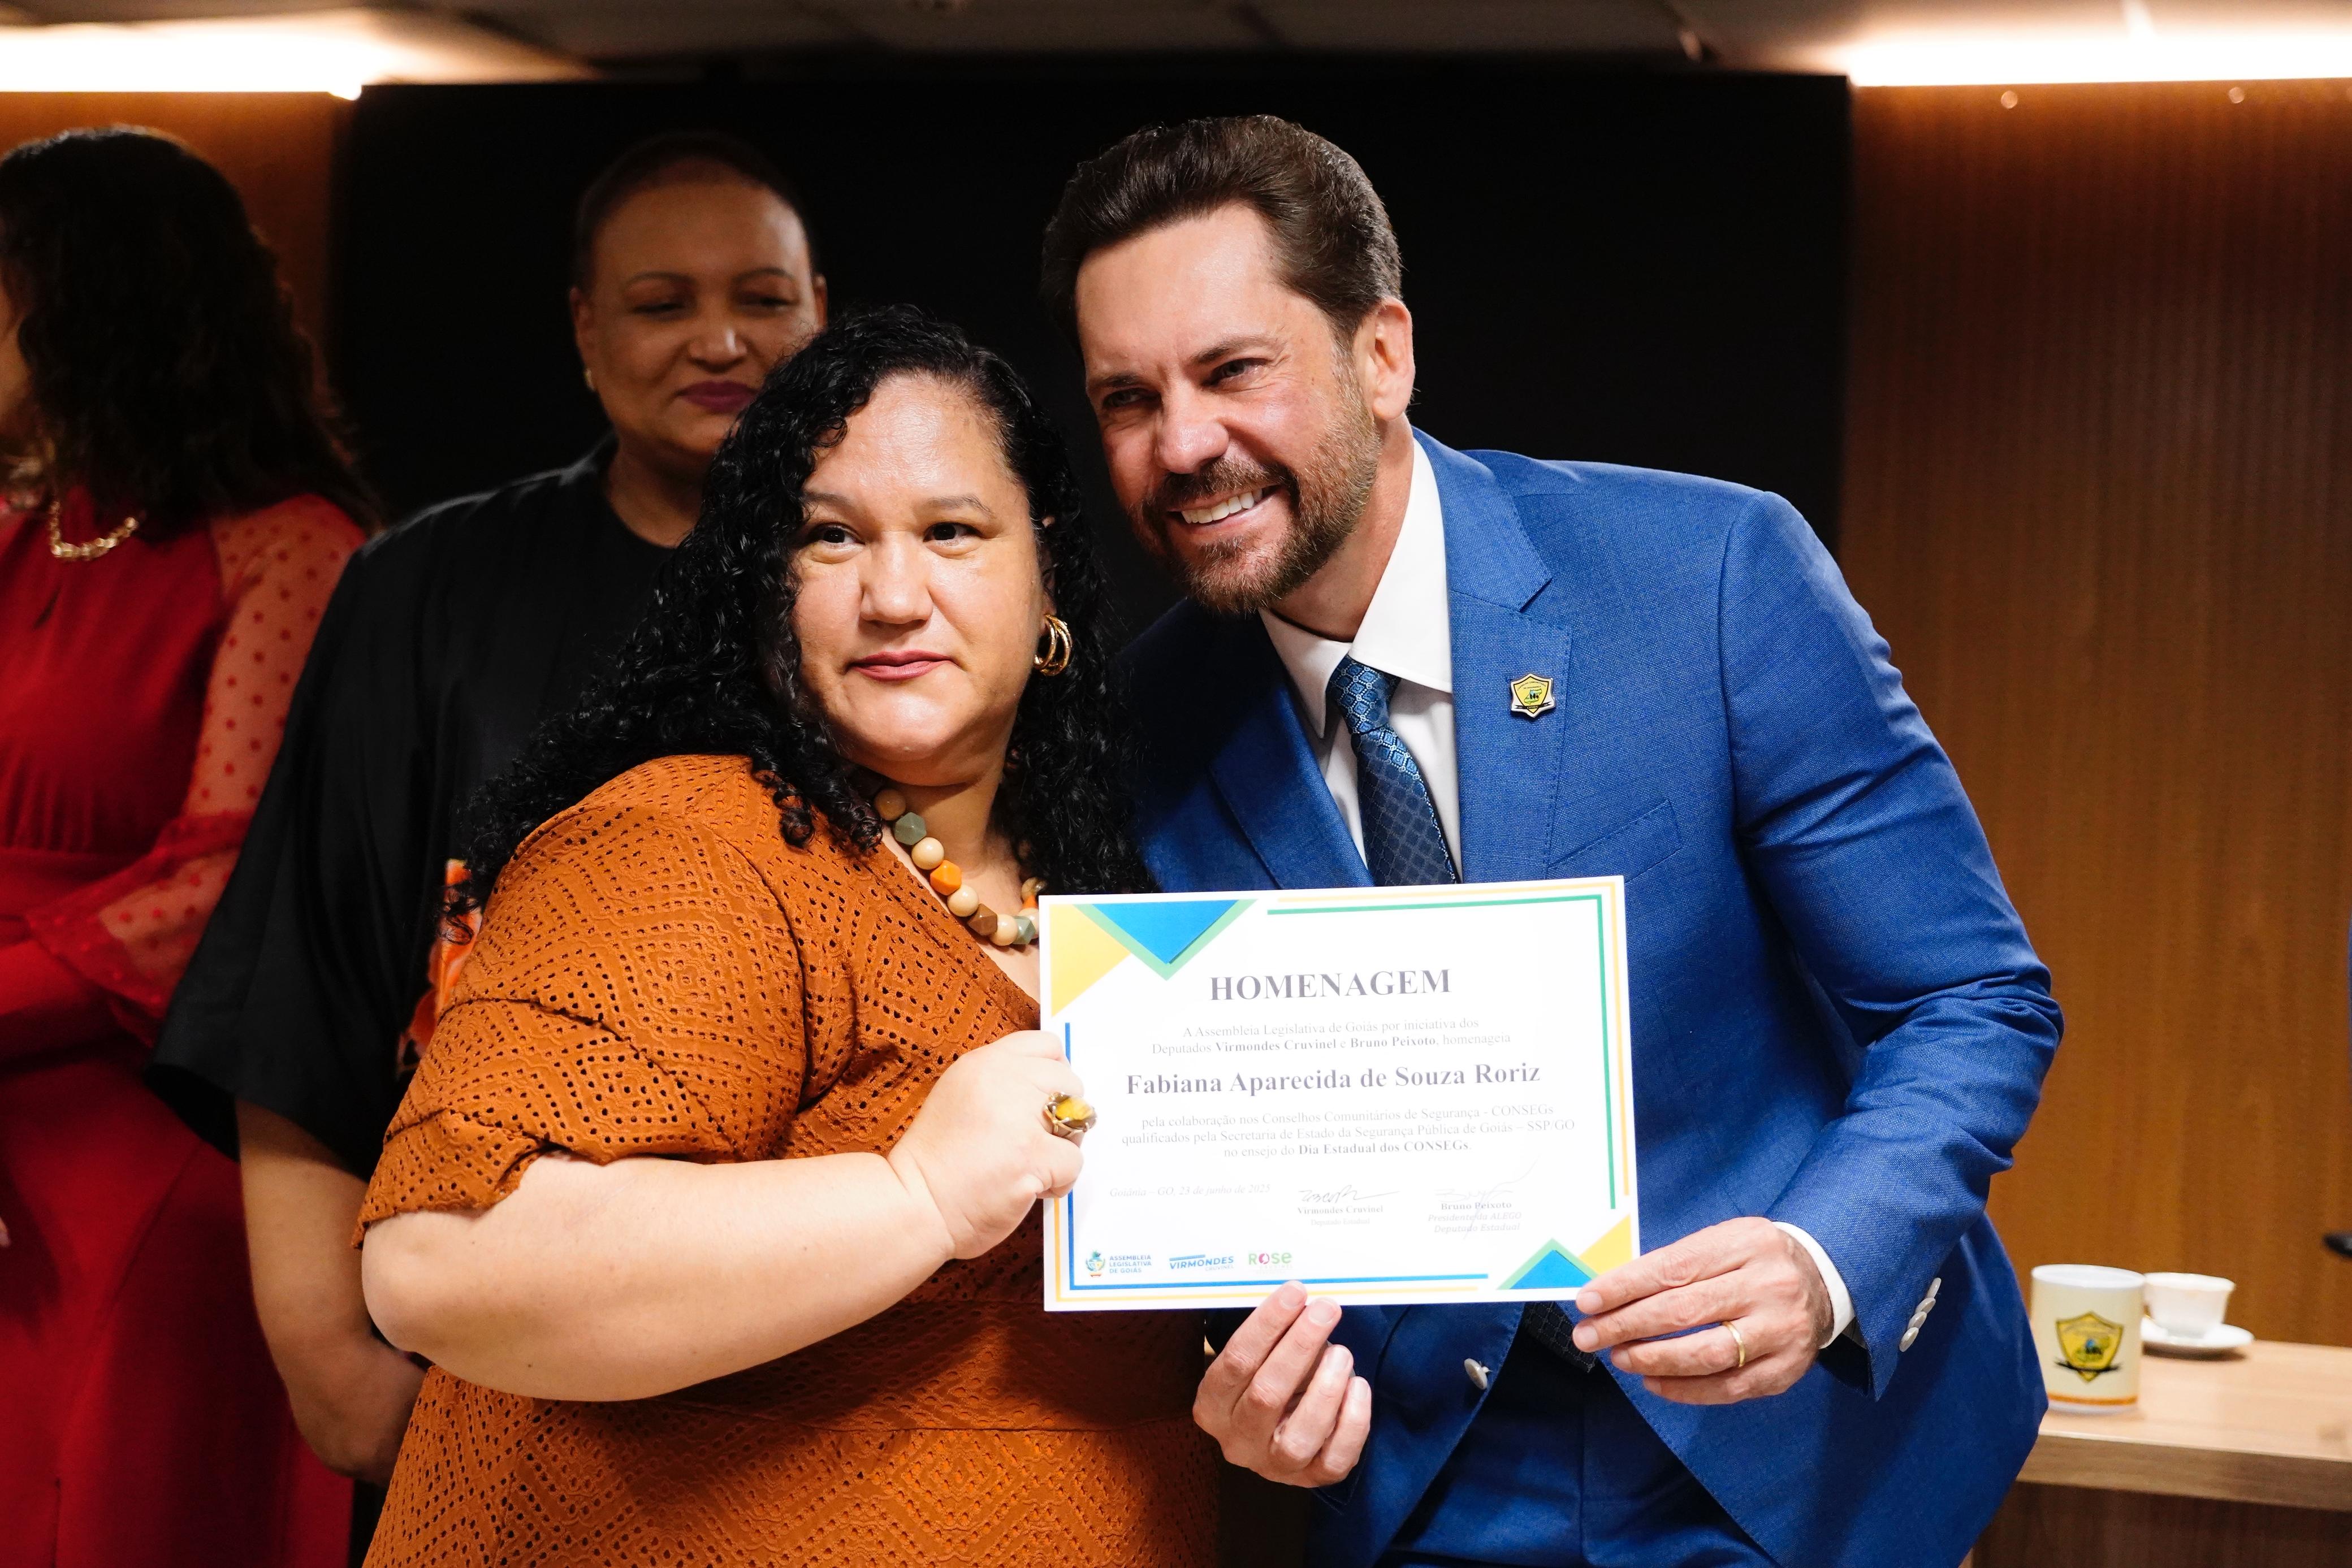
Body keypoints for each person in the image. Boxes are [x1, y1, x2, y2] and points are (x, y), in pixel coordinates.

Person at [1042, 115, 2065, 1568]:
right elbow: (1199, 1183)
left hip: (1797, 1456)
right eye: (1128, 397)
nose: (1184, 443)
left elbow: (1969, 997)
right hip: (1426, 1487)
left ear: (1381, 354)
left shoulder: (1706, 578)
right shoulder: (1134, 734)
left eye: (1232, 370)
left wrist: (1822, 1260)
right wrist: (1235, 1380)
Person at [344, 305, 1214, 1565]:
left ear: (1047, 588)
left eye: (952, 532)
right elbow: (439, 1262)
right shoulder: (685, 843)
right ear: (764, 593)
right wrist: (917, 1195)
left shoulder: (1132, 889)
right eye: (829, 537)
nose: (892, 596)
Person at [147, 130, 828, 1501]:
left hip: (840, 1335)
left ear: (824, 317)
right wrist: (331, 1361)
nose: (720, 340)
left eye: (763, 299)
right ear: (584, 331)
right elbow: (304, 984)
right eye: (662, 303)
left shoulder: (907, 594)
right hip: (484, 1335)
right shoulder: (427, 588)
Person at [0, 127, 370, 1568]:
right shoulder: (30, 529)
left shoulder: (292, 547)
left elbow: (222, 885)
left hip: (145, 1123)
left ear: (89, 307)